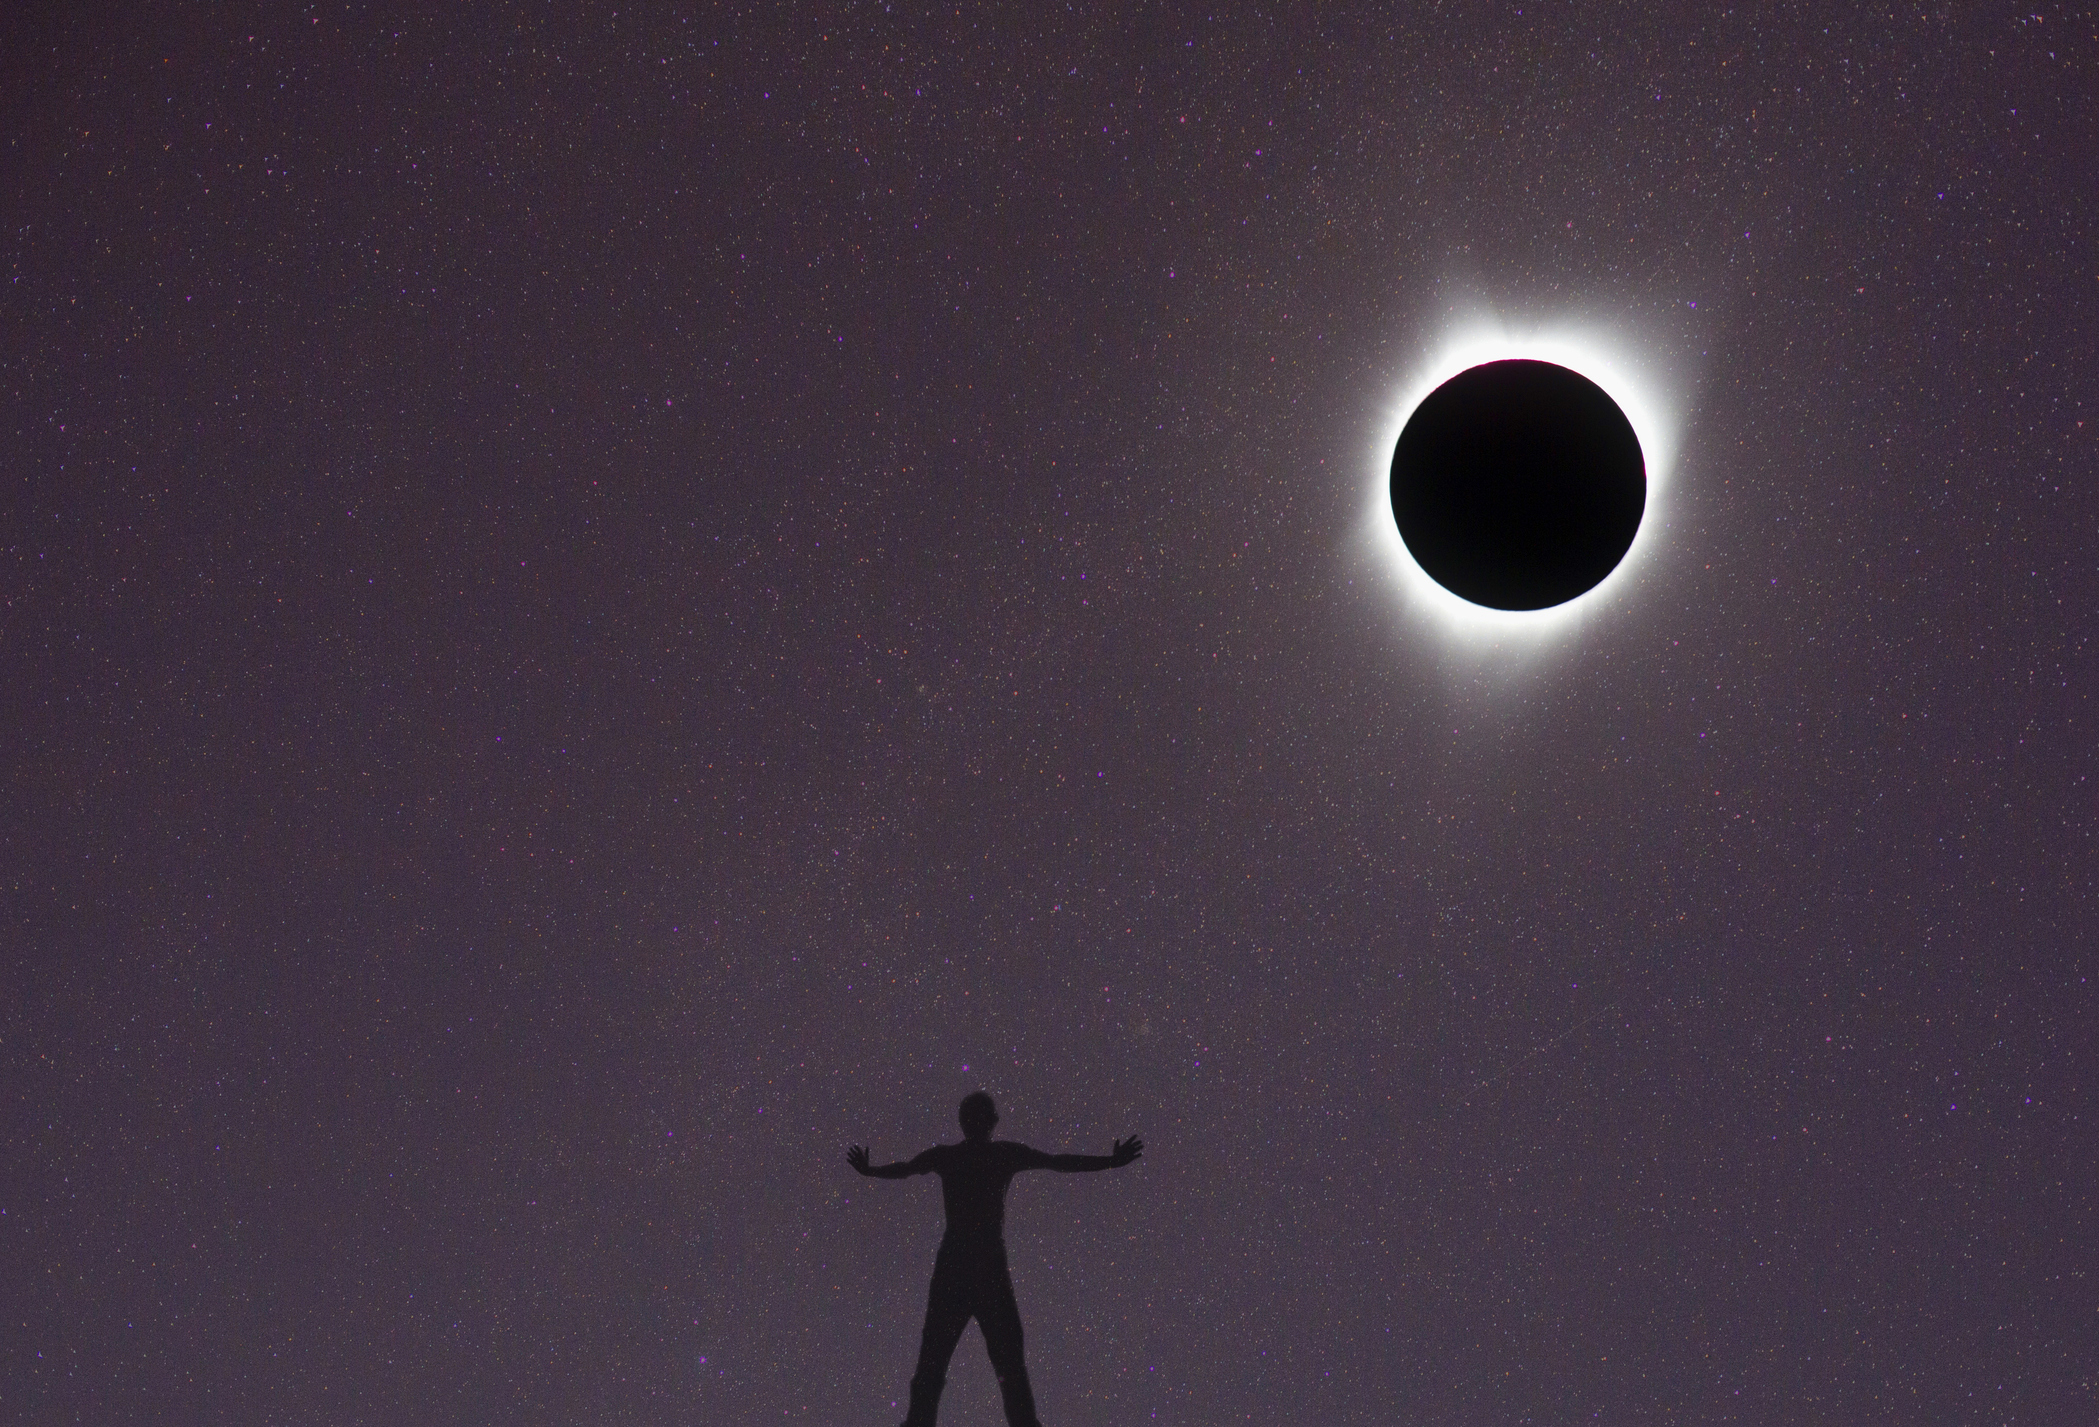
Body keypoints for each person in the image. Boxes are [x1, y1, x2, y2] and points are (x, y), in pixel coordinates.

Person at [847, 1091, 1142, 1427]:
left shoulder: (955, 1156)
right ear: (992, 1122)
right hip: (982, 1266)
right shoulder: (997, 1154)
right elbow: (1059, 1162)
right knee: (1000, 1367)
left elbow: (907, 1169)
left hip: (960, 1265)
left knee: (943, 1363)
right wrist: (1109, 1161)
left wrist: (871, 1171)